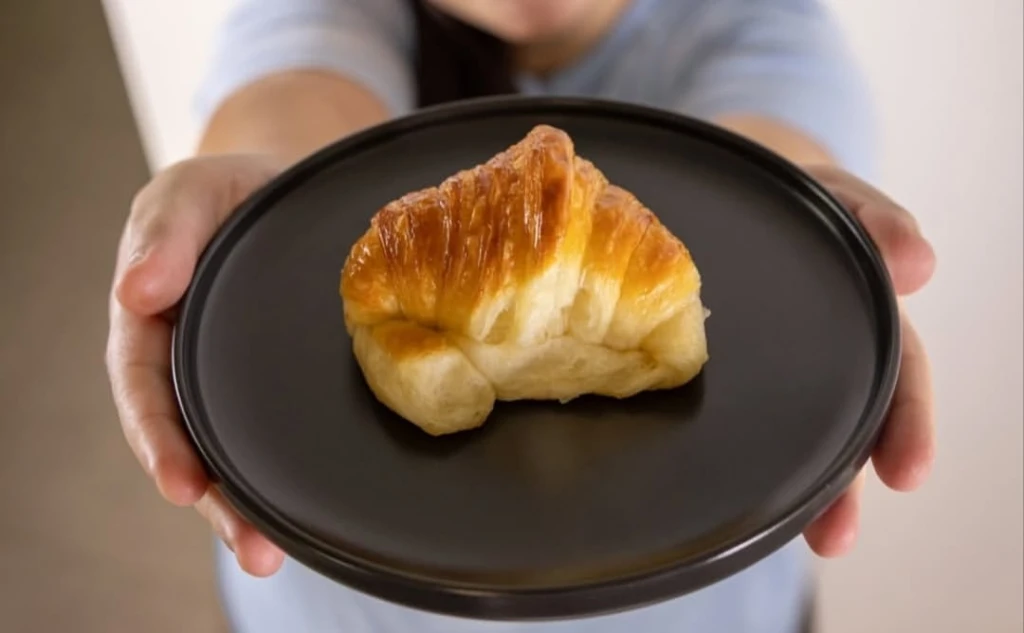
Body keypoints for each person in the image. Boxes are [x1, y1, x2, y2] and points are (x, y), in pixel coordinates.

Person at [105, 1, 938, 631]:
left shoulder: (768, 34)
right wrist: (262, 204)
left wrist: (816, 246)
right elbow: (296, 114)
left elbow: (763, 185)